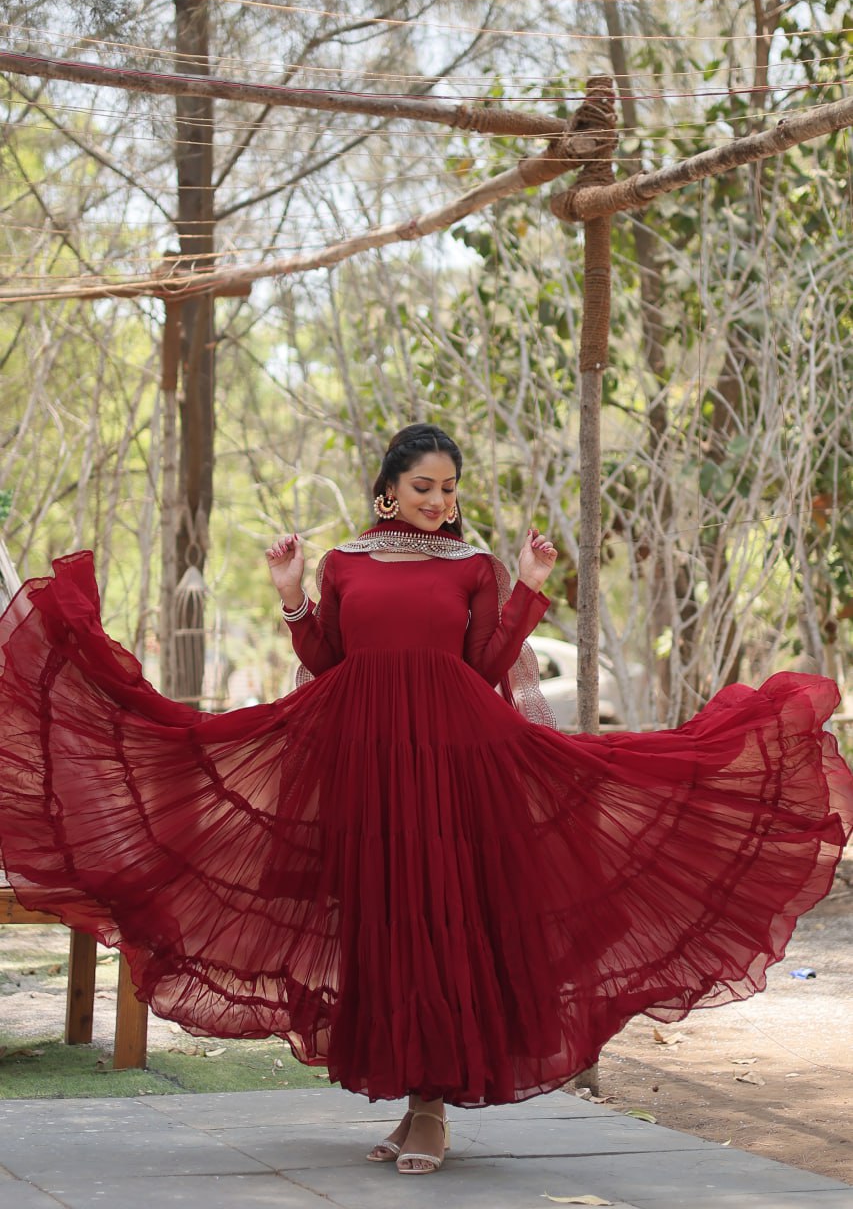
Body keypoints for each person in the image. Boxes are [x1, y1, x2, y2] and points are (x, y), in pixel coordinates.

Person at [0, 423, 851, 1178]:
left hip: (453, 761)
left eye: (448, 488)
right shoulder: (345, 563)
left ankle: (434, 1108)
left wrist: (524, 585)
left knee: (442, 920)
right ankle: (414, 1099)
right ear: (387, 488)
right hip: (364, 761)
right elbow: (329, 662)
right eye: (423, 486)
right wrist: (293, 594)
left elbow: (484, 665)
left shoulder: (472, 566)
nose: (439, 501)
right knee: (382, 923)